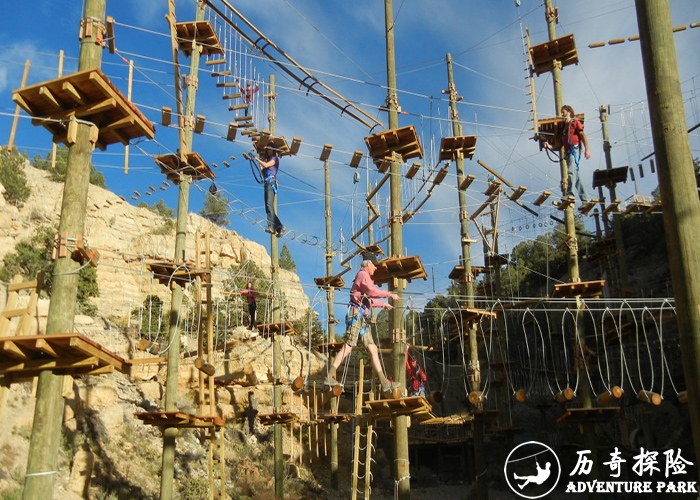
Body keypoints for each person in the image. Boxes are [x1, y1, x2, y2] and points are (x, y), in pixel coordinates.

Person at [326, 257, 401, 397]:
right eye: (375, 265)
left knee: (373, 348)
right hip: (356, 316)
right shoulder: (363, 275)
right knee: (348, 346)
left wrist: (383, 304)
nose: (376, 268)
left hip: (361, 318)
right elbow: (372, 292)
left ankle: (384, 382)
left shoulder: (365, 277)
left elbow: (369, 299)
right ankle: (330, 375)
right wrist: (389, 294)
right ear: (368, 263)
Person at [542, 104, 590, 203]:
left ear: (569, 112)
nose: (562, 114)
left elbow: (582, 135)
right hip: (568, 154)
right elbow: (559, 145)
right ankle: (586, 200)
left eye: (563, 112)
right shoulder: (564, 129)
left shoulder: (575, 122)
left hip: (574, 150)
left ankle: (570, 194)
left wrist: (587, 149)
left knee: (571, 172)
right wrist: (549, 146)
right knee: (576, 178)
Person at [255, 147, 285, 237]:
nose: (269, 151)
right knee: (267, 208)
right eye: (268, 150)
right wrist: (261, 166)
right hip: (267, 183)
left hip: (271, 183)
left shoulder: (274, 159)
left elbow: (267, 165)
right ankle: (279, 226)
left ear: (273, 150)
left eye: (270, 149)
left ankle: (272, 227)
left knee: (269, 205)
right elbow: (264, 171)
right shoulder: (267, 161)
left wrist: (257, 159)